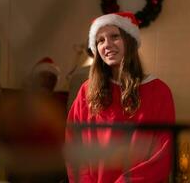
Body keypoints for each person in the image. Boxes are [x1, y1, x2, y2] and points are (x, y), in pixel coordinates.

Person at [66, 12, 175, 183]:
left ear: (130, 41)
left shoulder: (159, 91)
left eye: (114, 36)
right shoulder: (86, 91)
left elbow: (165, 151)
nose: (106, 45)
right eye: (100, 40)